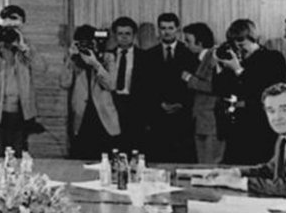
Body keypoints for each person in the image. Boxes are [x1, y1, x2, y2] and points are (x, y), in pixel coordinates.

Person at [200, 83, 286, 196]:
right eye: (271, 111)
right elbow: (270, 169)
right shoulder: (284, 137)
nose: (277, 117)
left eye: (284, 109)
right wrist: (234, 173)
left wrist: (239, 183)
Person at [0, 4, 44, 156]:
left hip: (18, 114)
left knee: (16, 160)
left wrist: (24, 49)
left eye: (15, 25)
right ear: (0, 23)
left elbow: (42, 68)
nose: (10, 31)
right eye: (7, 25)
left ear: (22, 25)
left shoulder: (25, 46)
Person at [214, 18, 286, 165]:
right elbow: (219, 90)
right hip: (236, 129)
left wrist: (239, 70)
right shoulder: (236, 60)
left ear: (255, 39)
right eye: (234, 45)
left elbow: (267, 91)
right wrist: (219, 68)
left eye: (242, 44)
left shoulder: (272, 58)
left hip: (260, 127)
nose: (239, 49)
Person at [139, 12, 197, 162]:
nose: (166, 32)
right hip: (157, 116)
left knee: (181, 158)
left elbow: (194, 85)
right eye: (163, 28)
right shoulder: (148, 55)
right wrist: (159, 104)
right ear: (158, 30)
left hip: (183, 116)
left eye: (170, 28)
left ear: (177, 29)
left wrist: (181, 104)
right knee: (158, 157)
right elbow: (145, 87)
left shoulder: (190, 54)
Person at [60, 24, 120, 159]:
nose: (86, 46)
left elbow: (111, 85)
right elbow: (64, 83)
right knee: (81, 156)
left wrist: (96, 64)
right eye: (82, 43)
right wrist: (70, 58)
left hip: (103, 114)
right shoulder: (74, 60)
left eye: (89, 42)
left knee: (106, 157)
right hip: (81, 114)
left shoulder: (107, 58)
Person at [181, 22, 224, 164]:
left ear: (200, 42)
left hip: (211, 119)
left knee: (210, 163)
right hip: (201, 119)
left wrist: (190, 79)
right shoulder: (200, 58)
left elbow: (215, 86)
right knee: (203, 163)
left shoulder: (214, 56)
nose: (185, 45)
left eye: (188, 41)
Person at [108, 16, 141, 152]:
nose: (124, 37)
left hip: (135, 105)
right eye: (120, 34)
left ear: (134, 35)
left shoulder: (145, 56)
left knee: (134, 145)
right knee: (114, 145)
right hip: (112, 103)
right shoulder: (107, 56)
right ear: (115, 35)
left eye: (128, 34)